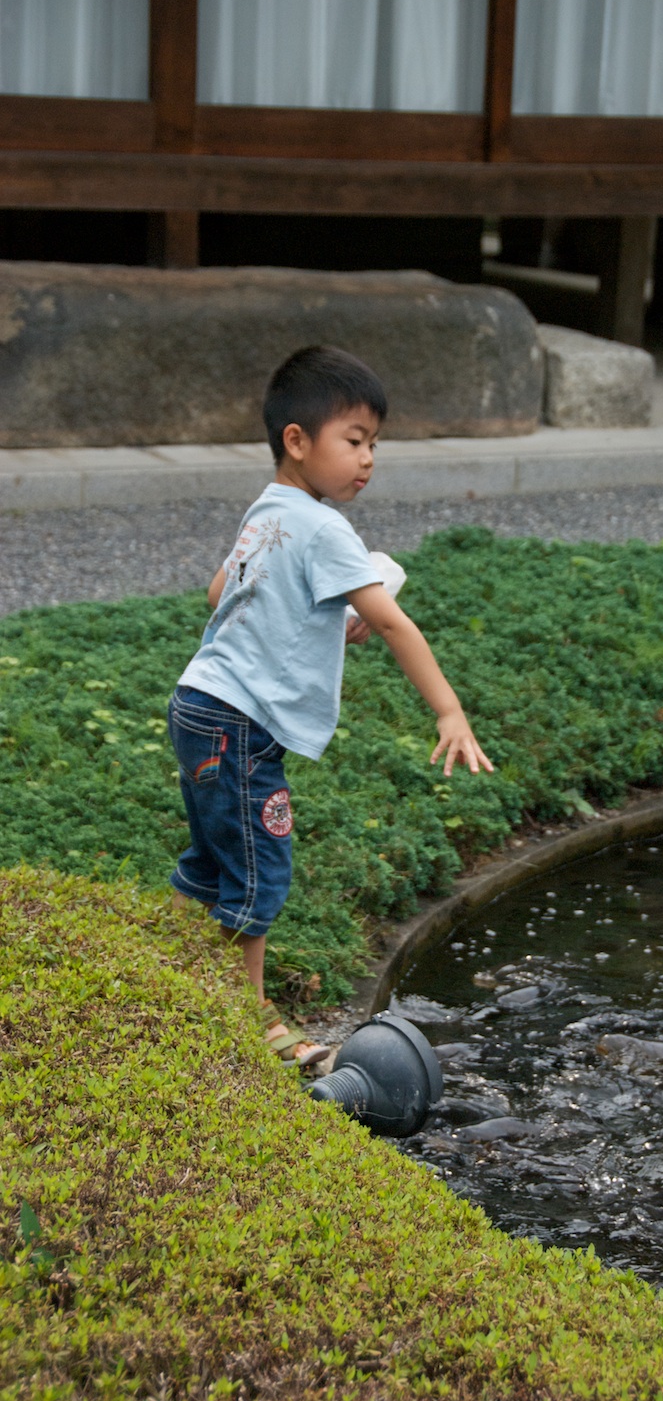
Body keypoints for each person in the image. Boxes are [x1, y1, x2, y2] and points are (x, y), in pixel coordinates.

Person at [168, 345, 493, 1065]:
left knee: (213, 856)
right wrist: (448, 710)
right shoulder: (325, 528)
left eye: (374, 443)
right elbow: (393, 623)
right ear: (297, 439)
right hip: (240, 725)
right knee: (260, 865)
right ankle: (250, 1018)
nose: (368, 459)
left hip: (199, 706)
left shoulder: (269, 508)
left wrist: (321, 615)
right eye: (354, 440)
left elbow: (220, 593)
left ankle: (164, 962)